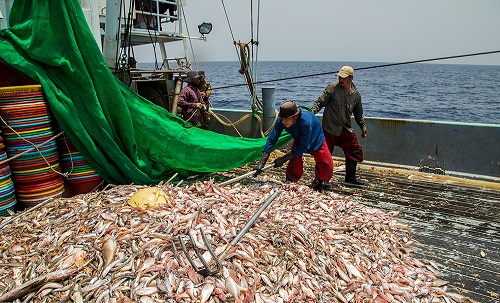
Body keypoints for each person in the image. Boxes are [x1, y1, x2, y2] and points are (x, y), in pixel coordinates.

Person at [254, 100, 334, 191]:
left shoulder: (305, 123)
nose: (283, 121)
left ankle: (319, 180)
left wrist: (283, 159)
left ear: (295, 116)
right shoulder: (281, 120)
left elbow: (303, 147)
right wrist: (262, 161)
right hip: (300, 138)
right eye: (282, 118)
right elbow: (272, 139)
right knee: (294, 161)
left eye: (286, 119)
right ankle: (291, 181)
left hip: (315, 137)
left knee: (326, 164)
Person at [311, 66, 367, 185]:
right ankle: (319, 180)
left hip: (344, 128)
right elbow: (320, 102)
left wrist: (363, 126)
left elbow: (358, 113)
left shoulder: (356, 95)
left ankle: (350, 177)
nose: (340, 80)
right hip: (329, 128)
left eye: (343, 78)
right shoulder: (332, 88)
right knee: (324, 154)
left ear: (351, 78)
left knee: (355, 149)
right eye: (339, 77)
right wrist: (311, 114)